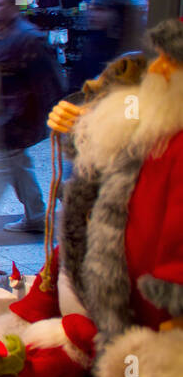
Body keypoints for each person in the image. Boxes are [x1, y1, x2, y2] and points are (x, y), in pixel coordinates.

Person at [46, 19, 183, 335]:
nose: (158, 67)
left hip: (150, 321)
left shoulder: (167, 147)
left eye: (170, 60)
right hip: (113, 311)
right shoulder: (147, 140)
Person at [0, 0, 65, 233]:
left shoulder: (29, 39)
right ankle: (36, 216)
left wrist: (53, 112)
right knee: (18, 165)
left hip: (17, 116)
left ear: (12, 8)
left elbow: (49, 79)